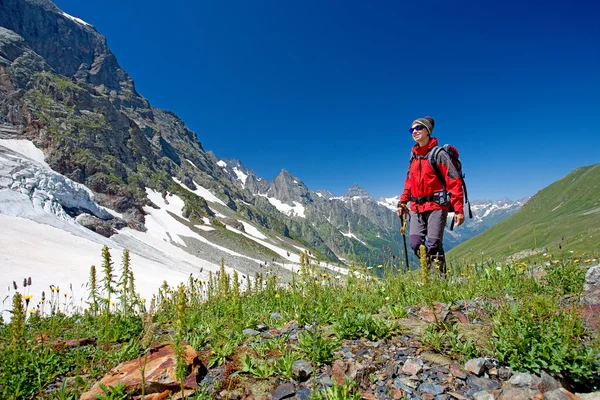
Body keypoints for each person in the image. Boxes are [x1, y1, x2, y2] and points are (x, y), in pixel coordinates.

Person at [397, 116, 464, 273]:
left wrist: (459, 210)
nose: (414, 132)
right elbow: (409, 183)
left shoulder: (438, 154)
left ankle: (439, 279)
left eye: (418, 128)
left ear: (428, 131)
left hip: (436, 206)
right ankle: (428, 274)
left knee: (434, 244)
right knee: (415, 243)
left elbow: (454, 181)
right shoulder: (413, 157)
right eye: (412, 129)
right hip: (417, 207)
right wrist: (402, 202)